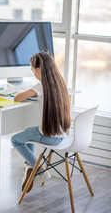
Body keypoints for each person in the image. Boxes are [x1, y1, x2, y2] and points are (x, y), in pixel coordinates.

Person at [11, 49, 71, 193]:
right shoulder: (60, 83)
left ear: (39, 70)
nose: (33, 74)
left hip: (48, 137)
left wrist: (26, 91)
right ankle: (30, 166)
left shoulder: (40, 86)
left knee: (15, 140)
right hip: (61, 136)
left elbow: (17, 98)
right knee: (27, 132)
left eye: (33, 71)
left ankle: (40, 171)